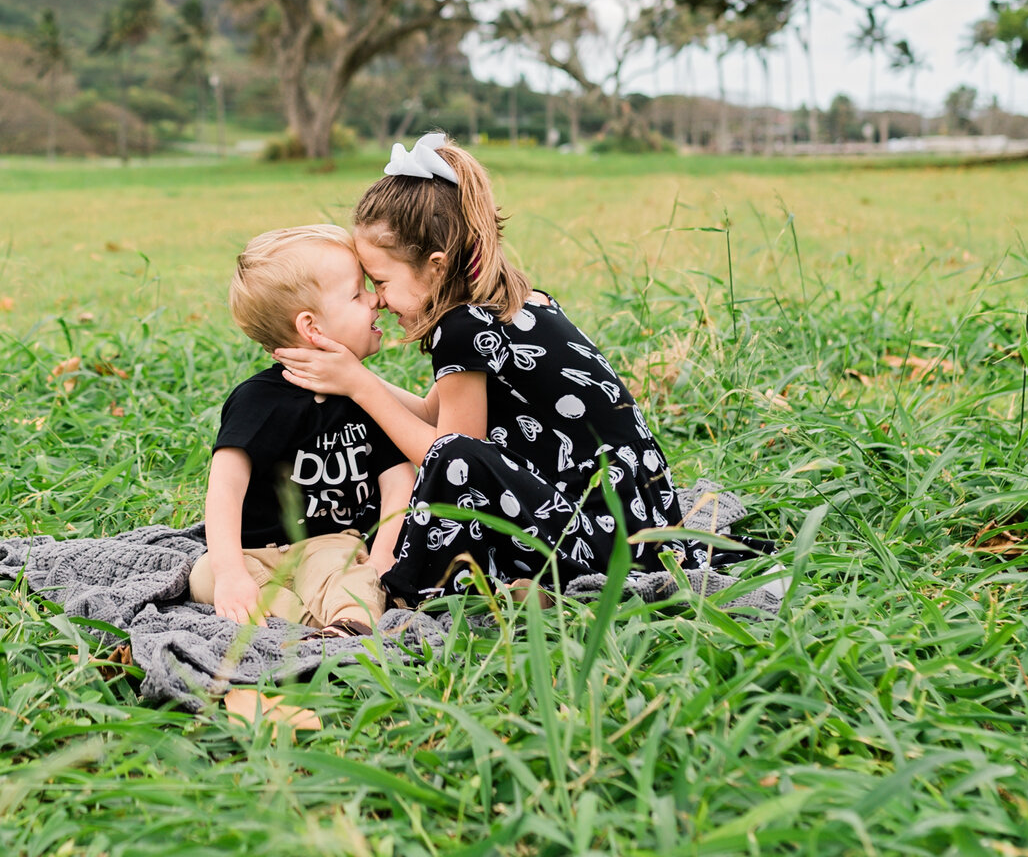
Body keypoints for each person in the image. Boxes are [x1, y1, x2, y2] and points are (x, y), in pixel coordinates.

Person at [274, 132, 706, 604]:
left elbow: (450, 457)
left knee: (453, 463)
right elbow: (430, 415)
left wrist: (358, 386)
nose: (377, 299)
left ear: (436, 267)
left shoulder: (461, 327)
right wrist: (349, 373)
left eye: (380, 280)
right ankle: (527, 586)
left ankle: (427, 590)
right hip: (635, 517)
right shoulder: (511, 304)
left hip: (602, 534)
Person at [192, 224, 413, 632]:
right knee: (204, 573)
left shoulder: (363, 396)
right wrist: (230, 573)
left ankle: (345, 622)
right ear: (312, 327)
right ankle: (309, 623)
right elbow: (224, 489)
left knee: (348, 572)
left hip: (331, 542)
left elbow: (399, 479)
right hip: (255, 550)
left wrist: (383, 554)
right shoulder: (258, 400)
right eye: (357, 293)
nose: (376, 300)